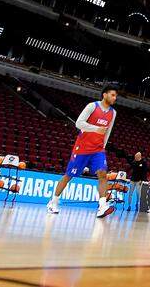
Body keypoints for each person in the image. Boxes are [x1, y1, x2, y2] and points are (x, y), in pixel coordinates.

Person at [47, 85, 118, 218]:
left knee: (103, 174)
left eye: (115, 96)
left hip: (98, 149)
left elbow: (107, 132)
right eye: (113, 95)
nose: (115, 98)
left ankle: (102, 206)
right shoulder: (92, 106)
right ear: (105, 95)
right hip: (83, 147)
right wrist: (96, 128)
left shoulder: (113, 113)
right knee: (69, 175)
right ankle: (53, 202)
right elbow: (78, 123)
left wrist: (103, 147)